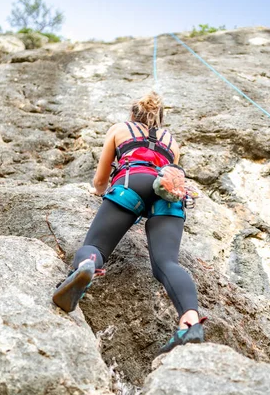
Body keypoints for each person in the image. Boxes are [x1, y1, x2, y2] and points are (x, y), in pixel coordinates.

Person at [52, 91, 206, 354]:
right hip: (167, 194)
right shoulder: (172, 142)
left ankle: (86, 267)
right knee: (167, 263)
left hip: (130, 183)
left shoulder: (121, 129)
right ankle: (190, 322)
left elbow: (101, 180)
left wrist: (99, 192)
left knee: (97, 247)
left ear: (133, 113)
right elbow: (168, 177)